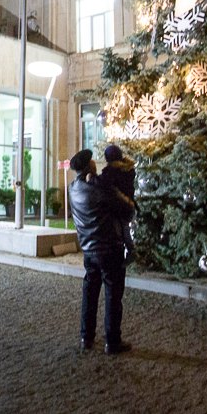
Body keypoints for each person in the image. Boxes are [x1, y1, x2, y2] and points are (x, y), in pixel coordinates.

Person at [68, 148, 134, 355]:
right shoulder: (99, 187)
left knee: (90, 292)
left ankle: (86, 337)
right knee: (113, 295)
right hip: (109, 247)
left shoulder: (72, 189)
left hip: (88, 249)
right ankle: (112, 342)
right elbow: (128, 209)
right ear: (89, 166)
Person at [98, 144, 137, 261]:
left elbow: (103, 186)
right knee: (126, 230)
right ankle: (131, 253)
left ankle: (129, 254)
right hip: (129, 205)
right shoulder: (129, 170)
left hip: (117, 208)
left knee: (122, 232)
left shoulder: (110, 173)